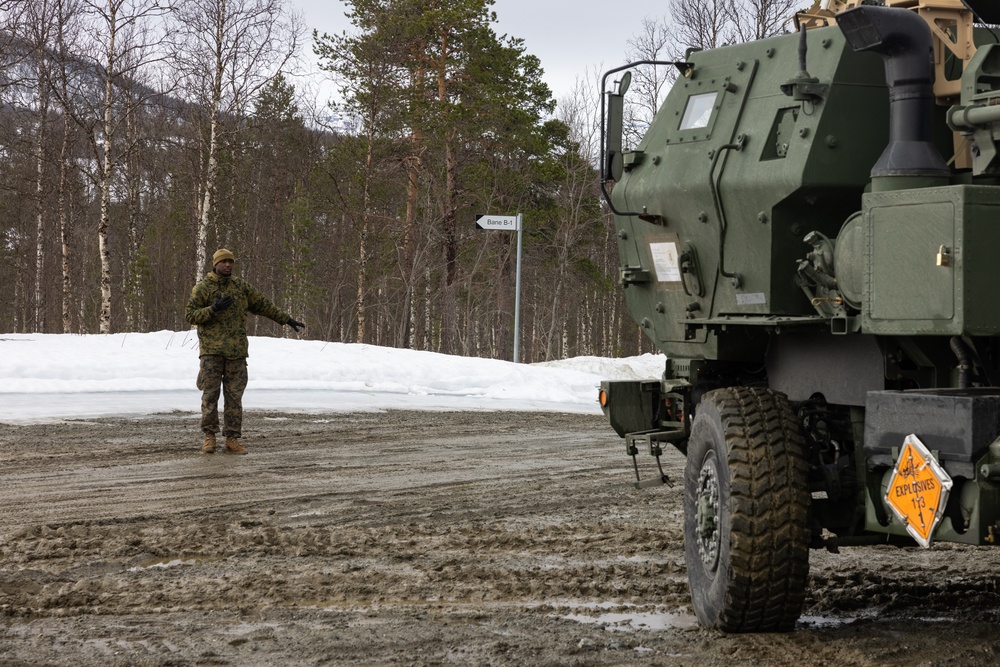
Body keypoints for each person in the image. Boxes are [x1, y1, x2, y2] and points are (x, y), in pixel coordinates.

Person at [185, 248, 304, 455]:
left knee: (234, 397)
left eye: (231, 262)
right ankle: (209, 437)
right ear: (215, 264)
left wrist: (286, 319)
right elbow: (190, 315)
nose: (228, 265)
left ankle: (232, 438)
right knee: (210, 396)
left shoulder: (241, 287)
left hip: (237, 352)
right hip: (211, 352)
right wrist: (213, 309)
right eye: (224, 262)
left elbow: (264, 305)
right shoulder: (203, 288)